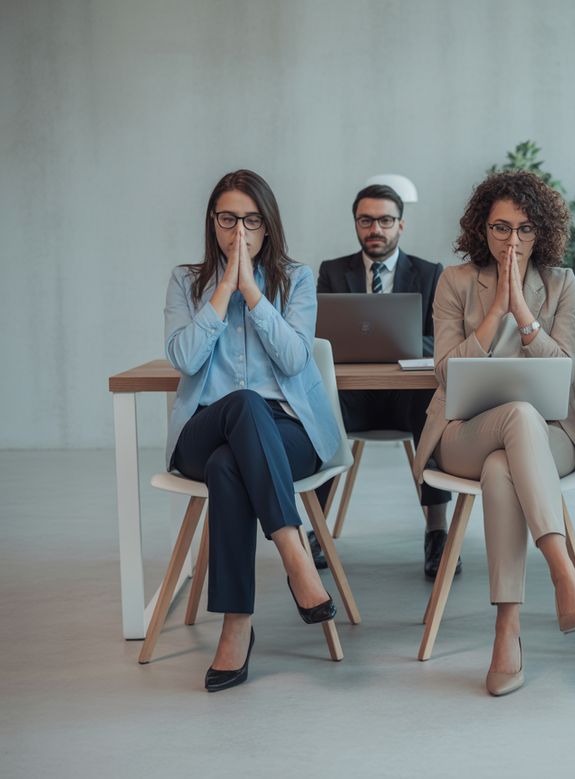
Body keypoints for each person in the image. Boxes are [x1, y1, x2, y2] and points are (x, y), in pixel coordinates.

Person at [412, 170, 575, 696]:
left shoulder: (561, 285)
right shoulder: (454, 281)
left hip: (550, 437)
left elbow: (565, 373)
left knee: (510, 455)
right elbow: (446, 374)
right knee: (515, 418)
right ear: (482, 228)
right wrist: (495, 306)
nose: (512, 241)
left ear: (541, 231)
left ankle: (507, 630)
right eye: (500, 228)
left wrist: (523, 313)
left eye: (524, 229)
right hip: (464, 433)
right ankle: (563, 572)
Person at [164, 170, 342, 692]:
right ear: (212, 223)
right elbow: (183, 357)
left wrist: (255, 295)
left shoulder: (297, 279)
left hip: (287, 431)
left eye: (250, 220)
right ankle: (294, 554)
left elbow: (293, 358)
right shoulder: (184, 280)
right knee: (240, 407)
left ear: (268, 225)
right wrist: (225, 287)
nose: (238, 232)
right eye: (227, 219)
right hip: (204, 428)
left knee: (230, 464)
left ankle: (236, 626)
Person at [315, 184, 454, 579]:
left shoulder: (429, 273)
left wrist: (402, 340)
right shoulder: (331, 271)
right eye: (366, 220)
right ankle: (316, 528)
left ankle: (437, 531)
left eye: (385, 220)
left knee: (433, 403)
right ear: (356, 224)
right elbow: (320, 335)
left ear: (400, 225)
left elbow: (442, 337)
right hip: (353, 396)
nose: (375, 228)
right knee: (321, 405)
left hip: (406, 395)